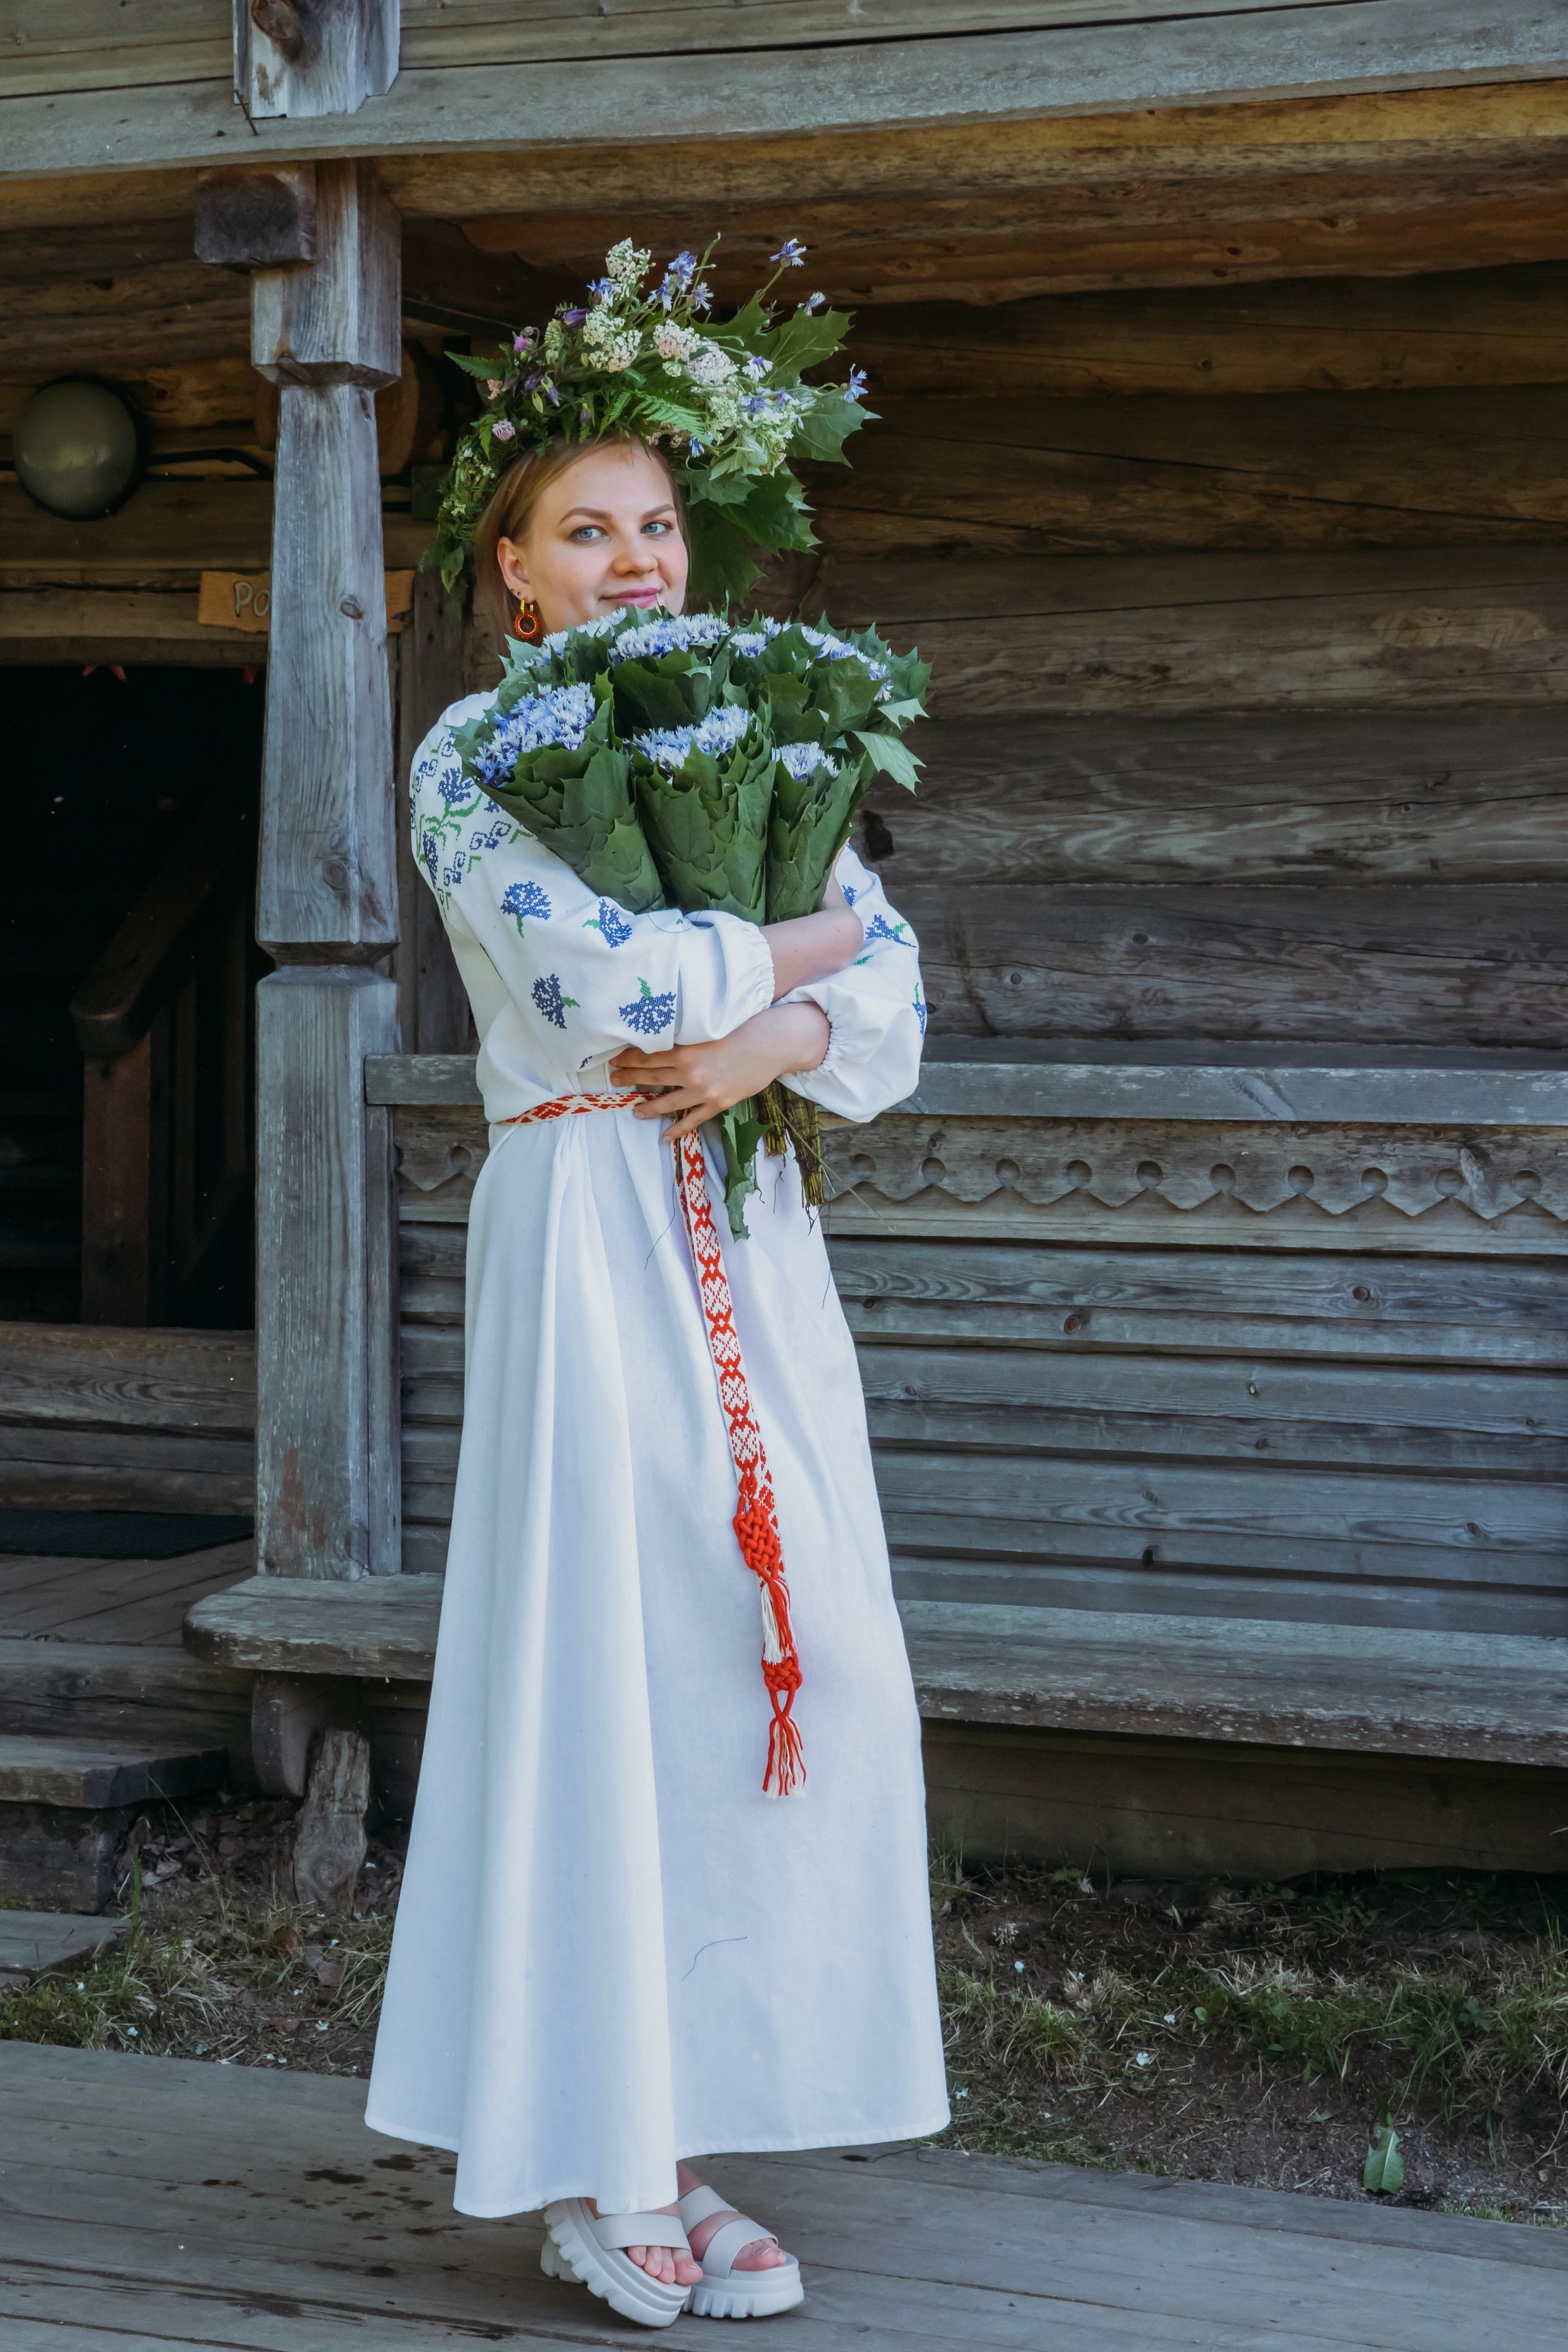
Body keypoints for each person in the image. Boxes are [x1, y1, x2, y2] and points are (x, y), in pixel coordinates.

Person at [366, 251, 947, 2329]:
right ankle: (608, 2166)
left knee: (774, 1668)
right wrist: (772, 982)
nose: (632, 560)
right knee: (605, 1677)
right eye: (585, 531)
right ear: (513, 570)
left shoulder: (773, 720)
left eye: (658, 525)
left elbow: (890, 1000)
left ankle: (704, 2121)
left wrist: (765, 1040)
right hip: (591, 1236)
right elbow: (603, 990)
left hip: (755, 1237)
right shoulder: (470, 761)